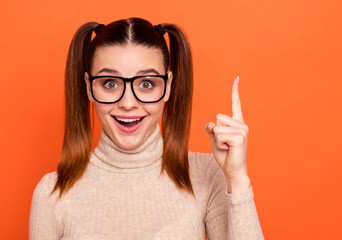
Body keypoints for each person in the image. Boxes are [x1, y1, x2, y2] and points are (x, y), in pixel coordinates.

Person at [29, 17, 265, 240]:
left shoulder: (208, 176)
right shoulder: (51, 194)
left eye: (146, 84)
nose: (128, 103)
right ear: (90, 88)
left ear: (169, 86)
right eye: (110, 84)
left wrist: (238, 181)